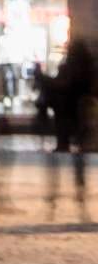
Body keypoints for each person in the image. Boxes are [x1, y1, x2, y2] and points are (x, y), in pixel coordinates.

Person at [51, 30, 97, 222]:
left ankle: (74, 199)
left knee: (78, 164)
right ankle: (79, 199)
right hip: (86, 117)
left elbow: (59, 90)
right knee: (80, 162)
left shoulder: (68, 69)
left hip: (72, 120)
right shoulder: (89, 69)